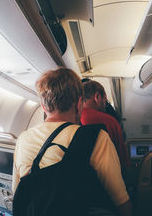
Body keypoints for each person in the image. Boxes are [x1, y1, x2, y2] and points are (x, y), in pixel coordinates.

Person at [13, 68, 132, 216]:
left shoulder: (22, 139)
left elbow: (17, 192)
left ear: (43, 106)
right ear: (79, 103)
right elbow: (120, 200)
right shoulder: (97, 137)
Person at [81, 80, 130, 170]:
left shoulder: (72, 119)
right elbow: (121, 158)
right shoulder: (109, 121)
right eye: (105, 99)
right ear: (97, 97)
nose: (105, 103)